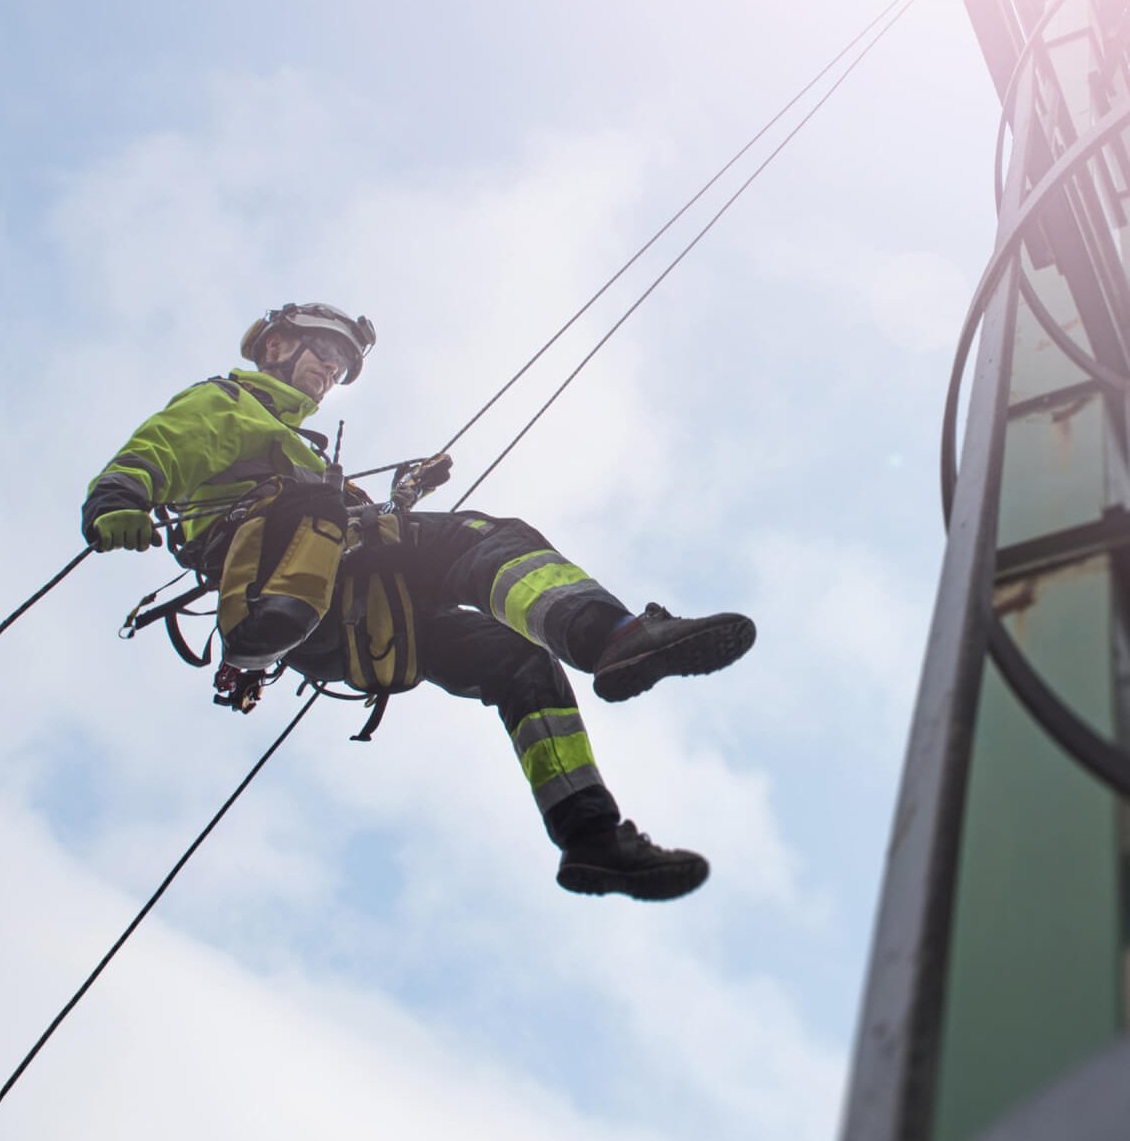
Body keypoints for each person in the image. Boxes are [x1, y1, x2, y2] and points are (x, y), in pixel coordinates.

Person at [82, 302, 756, 901]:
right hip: (296, 582)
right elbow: (163, 447)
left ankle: (591, 838)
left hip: (337, 611)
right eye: (323, 353)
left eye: (342, 365)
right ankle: (611, 637)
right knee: (486, 541)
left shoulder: (298, 449)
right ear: (276, 347)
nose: (330, 371)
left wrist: (403, 498)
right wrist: (118, 498)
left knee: (519, 663)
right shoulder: (230, 404)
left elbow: (341, 531)